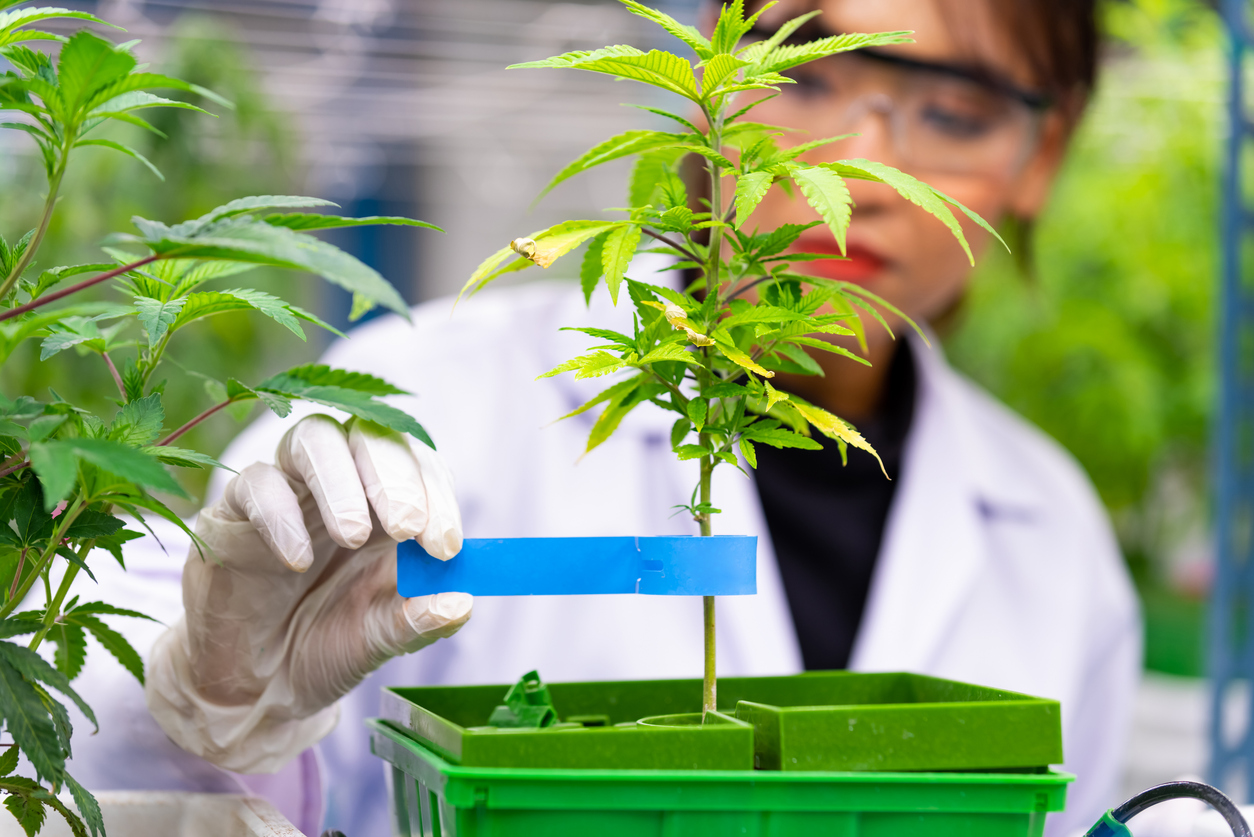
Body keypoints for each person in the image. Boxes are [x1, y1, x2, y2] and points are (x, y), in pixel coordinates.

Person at [64, 1, 1140, 836]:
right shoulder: (423, 403)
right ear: (708, 89)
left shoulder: (1056, 540)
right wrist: (205, 702)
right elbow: (77, 773)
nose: (854, 173)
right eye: (801, 74)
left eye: (953, 111)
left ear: (1043, 155)